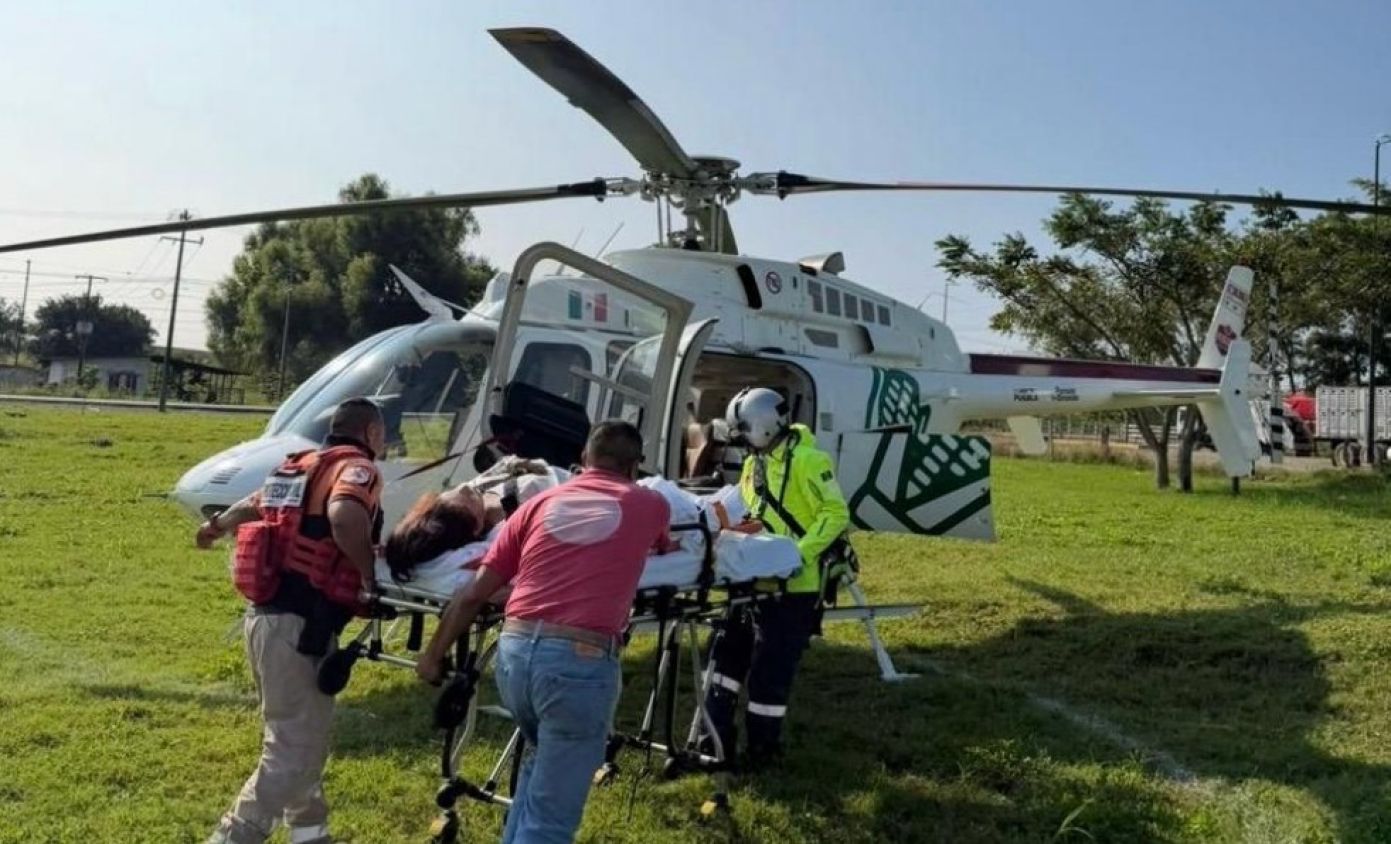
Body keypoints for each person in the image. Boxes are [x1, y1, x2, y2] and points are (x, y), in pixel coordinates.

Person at [416, 420, 670, 844]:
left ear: (585, 460)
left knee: (538, 778)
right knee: (551, 819)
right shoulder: (649, 504)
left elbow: (474, 593)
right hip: (578, 665)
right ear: (634, 467)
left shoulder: (538, 505)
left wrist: (431, 656)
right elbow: (665, 544)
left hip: (515, 655)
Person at [198, 397, 386, 844]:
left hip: (264, 621)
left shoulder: (297, 467)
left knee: (302, 734)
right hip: (303, 627)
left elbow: (254, 505)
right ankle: (234, 835)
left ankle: (309, 831)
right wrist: (368, 577)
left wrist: (216, 526)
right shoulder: (358, 469)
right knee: (292, 747)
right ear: (371, 433)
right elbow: (344, 518)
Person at [703, 387, 849, 769]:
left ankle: (762, 750)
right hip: (752, 580)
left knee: (770, 673)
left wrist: (796, 554)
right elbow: (756, 510)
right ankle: (714, 740)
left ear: (764, 426)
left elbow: (835, 514)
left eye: (744, 432)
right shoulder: (755, 464)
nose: (743, 443)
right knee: (724, 659)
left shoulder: (809, 461)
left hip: (794, 587)